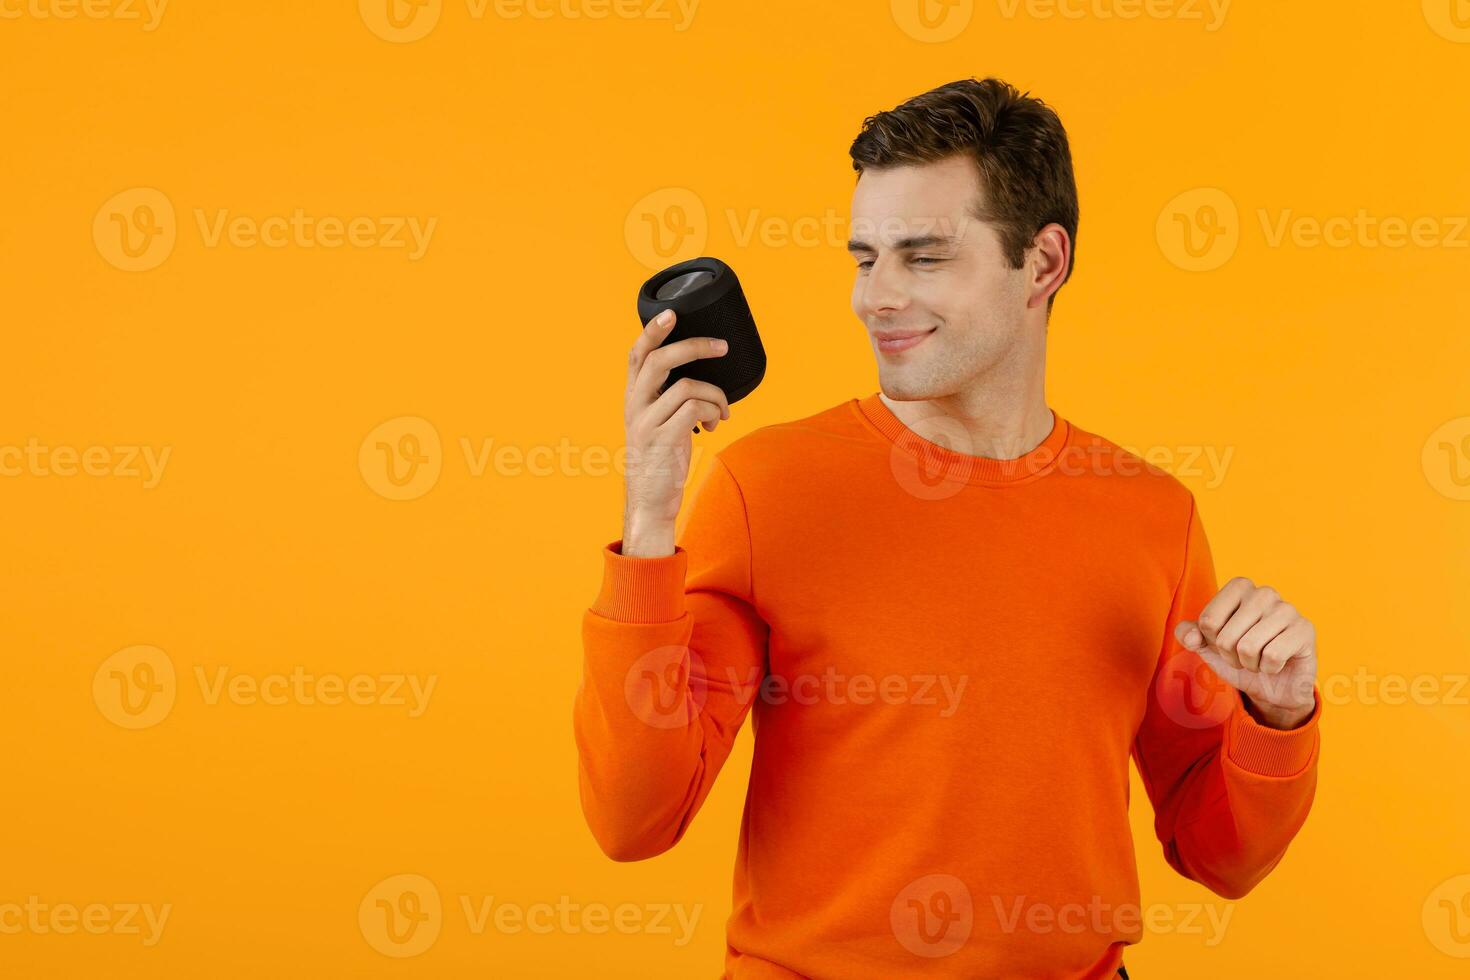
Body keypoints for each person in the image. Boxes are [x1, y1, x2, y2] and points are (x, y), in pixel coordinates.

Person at [574, 76, 1322, 979]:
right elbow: (634, 818)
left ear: (1043, 263)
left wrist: (1275, 719)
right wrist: (649, 528)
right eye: (864, 258)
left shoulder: (1154, 517)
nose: (874, 298)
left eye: (923, 258)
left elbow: (1223, 857)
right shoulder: (765, 488)